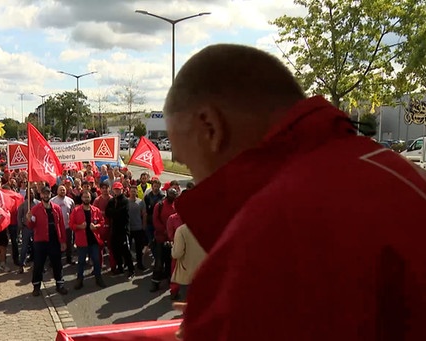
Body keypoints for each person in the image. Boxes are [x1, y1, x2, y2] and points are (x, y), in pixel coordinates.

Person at [164, 44, 426, 340]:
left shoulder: (267, 240)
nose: (196, 181)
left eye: (186, 160)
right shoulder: (392, 168)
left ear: (209, 126)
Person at [27, 186, 68, 297]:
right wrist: (29, 219)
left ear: (50, 194)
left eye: (48, 193)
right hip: (40, 241)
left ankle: (60, 284)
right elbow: (31, 226)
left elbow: (61, 225)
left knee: (57, 263)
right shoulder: (35, 209)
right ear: (40, 195)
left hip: (54, 239)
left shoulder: (57, 208)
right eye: (44, 193)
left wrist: (63, 241)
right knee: (39, 264)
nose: (46, 195)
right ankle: (36, 286)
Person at [69, 190, 106, 290]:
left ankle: (98, 278)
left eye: (88, 197)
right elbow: (71, 225)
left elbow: (102, 222)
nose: (86, 199)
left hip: (94, 240)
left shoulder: (96, 210)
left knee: (96, 260)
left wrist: (96, 226)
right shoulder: (76, 211)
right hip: (82, 241)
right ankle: (79, 280)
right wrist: (80, 226)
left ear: (90, 198)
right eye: (84, 197)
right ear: (81, 198)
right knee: (81, 261)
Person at [105, 182, 134, 279]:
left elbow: (121, 213)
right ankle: (120, 267)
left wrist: (113, 213)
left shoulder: (125, 200)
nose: (117, 191)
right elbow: (107, 212)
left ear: (122, 190)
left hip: (123, 229)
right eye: (115, 189)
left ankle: (131, 270)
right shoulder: (112, 201)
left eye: (118, 189)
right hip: (114, 229)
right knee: (115, 249)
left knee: (126, 250)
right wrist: (114, 213)